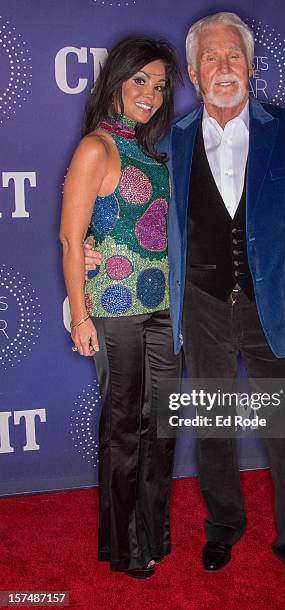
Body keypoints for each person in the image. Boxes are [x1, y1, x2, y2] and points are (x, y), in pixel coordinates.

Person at [85, 12, 285, 597]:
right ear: (194, 74)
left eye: (235, 57)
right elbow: (130, 205)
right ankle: (224, 524)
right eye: (212, 60)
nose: (224, 69)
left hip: (273, 303)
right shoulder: (169, 141)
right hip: (199, 305)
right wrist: (91, 245)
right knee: (215, 428)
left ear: (249, 67)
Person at [59, 37, 181, 580]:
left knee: (162, 426)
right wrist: (82, 316)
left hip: (162, 309)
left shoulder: (151, 151)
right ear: (116, 82)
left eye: (159, 86)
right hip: (114, 310)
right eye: (141, 81)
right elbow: (70, 240)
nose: (151, 94)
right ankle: (127, 547)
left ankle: (153, 533)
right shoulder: (95, 148)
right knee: (125, 430)